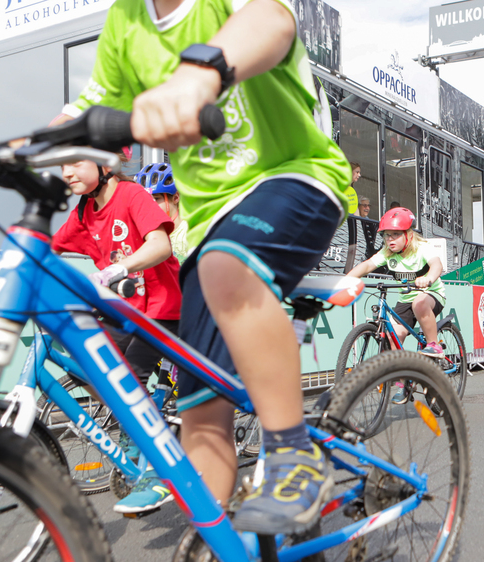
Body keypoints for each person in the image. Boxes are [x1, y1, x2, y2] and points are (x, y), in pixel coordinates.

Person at [58, 0, 354, 533]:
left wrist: (201, 73)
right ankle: (218, 544)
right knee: (199, 410)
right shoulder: (126, 22)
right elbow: (84, 110)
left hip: (295, 176)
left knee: (223, 266)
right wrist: (16, 147)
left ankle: (293, 455)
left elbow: (272, 21)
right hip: (210, 224)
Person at [56, 154, 183, 514]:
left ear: (105, 163)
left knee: (133, 380)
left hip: (161, 308)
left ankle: (156, 471)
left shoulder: (131, 195)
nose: (66, 171)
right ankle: (134, 435)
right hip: (123, 310)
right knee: (90, 367)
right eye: (61, 163)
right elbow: (47, 249)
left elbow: (160, 246)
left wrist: (116, 268)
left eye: (76, 160)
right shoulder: (84, 212)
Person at [347, 207, 446, 357]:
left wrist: (428, 278)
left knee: (419, 302)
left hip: (431, 294)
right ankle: (399, 381)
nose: (390, 239)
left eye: (396, 234)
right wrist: (347, 280)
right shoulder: (387, 252)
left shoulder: (422, 248)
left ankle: (434, 345)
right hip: (405, 300)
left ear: (409, 234)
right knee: (393, 340)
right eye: (386, 235)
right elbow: (367, 265)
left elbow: (436, 265)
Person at [135, 162, 189, 262]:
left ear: (176, 197)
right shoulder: (143, 234)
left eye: (156, 199)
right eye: (145, 200)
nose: (149, 205)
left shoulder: (189, 233)